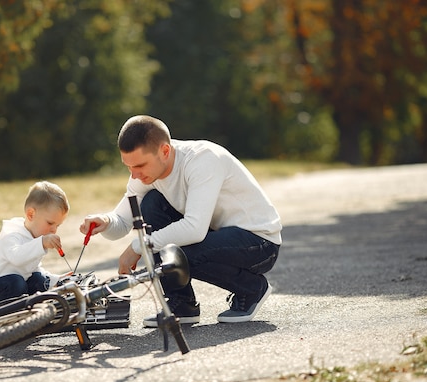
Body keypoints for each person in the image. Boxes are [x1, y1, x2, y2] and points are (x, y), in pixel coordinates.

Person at [80, 115, 282, 327]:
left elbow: (194, 229)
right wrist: (104, 221)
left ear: (165, 151)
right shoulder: (146, 174)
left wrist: (139, 247)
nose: (134, 175)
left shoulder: (203, 160)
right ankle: (182, 304)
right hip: (217, 235)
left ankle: (252, 289)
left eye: (139, 165)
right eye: (128, 167)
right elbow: (122, 222)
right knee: (151, 203)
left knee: (178, 255)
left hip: (259, 243)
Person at [0, 181, 71, 306]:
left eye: (57, 225)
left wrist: (56, 280)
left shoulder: (34, 237)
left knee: (38, 280)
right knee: (17, 282)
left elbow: (33, 269)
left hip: (10, 284)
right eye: (50, 223)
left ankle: (31, 312)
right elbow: (16, 257)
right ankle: (14, 313)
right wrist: (42, 243)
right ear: (31, 214)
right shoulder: (11, 234)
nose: (54, 230)